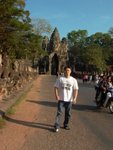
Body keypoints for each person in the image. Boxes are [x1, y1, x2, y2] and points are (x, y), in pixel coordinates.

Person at [54, 66, 79, 132]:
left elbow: (76, 89)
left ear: (70, 71)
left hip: (69, 100)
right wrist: (56, 95)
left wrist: (75, 98)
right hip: (61, 99)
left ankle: (66, 124)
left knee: (68, 114)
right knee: (59, 113)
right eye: (66, 70)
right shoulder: (60, 79)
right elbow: (56, 87)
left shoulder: (73, 80)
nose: (67, 71)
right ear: (64, 71)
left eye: (68, 70)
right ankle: (57, 125)